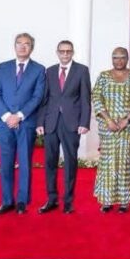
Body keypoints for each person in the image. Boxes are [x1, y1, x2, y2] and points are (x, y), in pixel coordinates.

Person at [0, 33, 46, 215]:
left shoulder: (39, 69)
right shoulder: (3, 67)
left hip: (26, 122)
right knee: (5, 162)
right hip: (5, 123)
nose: (22, 46)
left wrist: (19, 116)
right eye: (19, 43)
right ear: (14, 46)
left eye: (27, 44)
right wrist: (8, 116)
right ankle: (7, 201)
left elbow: (37, 96)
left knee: (24, 162)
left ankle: (22, 201)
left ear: (32, 47)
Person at [36, 40, 91, 215]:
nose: (65, 54)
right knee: (49, 162)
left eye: (68, 51)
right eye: (62, 51)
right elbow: (45, 100)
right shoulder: (50, 71)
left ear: (72, 52)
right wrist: (40, 122)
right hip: (51, 122)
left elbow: (85, 99)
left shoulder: (81, 70)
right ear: (57, 52)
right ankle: (51, 199)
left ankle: (68, 201)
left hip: (72, 123)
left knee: (70, 162)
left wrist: (84, 122)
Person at [92, 47, 130, 213]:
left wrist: (126, 119)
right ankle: (106, 200)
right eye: (115, 57)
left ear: (127, 59)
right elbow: (96, 97)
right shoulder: (103, 76)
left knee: (125, 161)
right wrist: (108, 120)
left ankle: (125, 201)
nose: (119, 60)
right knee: (107, 163)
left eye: (122, 57)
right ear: (112, 59)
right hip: (107, 127)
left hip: (128, 127)